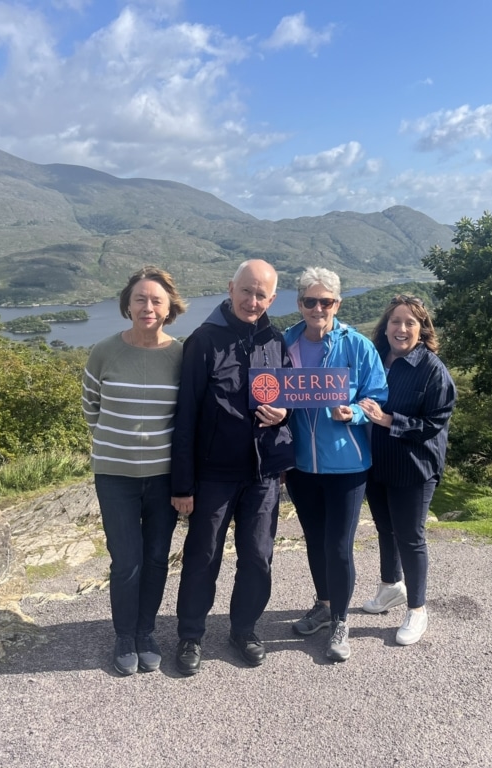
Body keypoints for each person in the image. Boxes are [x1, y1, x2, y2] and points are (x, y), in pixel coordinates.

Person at [170, 259, 294, 675]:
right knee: (203, 556)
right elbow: (184, 416)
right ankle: (190, 634)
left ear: (272, 298)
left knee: (258, 557)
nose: (252, 300)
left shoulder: (276, 341)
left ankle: (244, 629)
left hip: (262, 475)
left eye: (262, 294)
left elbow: (290, 399)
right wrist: (183, 483)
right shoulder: (203, 341)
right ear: (230, 288)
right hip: (213, 474)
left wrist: (284, 414)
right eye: (247, 291)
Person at [82, 266, 187, 676]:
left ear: (169, 308)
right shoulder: (105, 351)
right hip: (115, 475)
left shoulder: (180, 355)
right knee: (126, 559)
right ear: (127, 304)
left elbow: (186, 415)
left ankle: (146, 631)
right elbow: (92, 406)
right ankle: (124, 634)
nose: (147, 306)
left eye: (156, 300)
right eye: (140, 299)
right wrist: (115, 444)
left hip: (163, 477)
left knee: (157, 557)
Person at [283, 267, 388, 662]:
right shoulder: (285, 343)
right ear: (299, 304)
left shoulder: (358, 346)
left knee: (339, 546)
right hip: (301, 465)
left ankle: (342, 619)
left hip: (347, 464)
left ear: (337, 305)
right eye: (310, 301)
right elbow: (271, 391)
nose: (317, 308)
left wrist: (357, 414)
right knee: (314, 539)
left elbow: (377, 395)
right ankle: (324, 605)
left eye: (325, 301)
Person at [359, 294, 456, 645]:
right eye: (395, 322)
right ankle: (390, 587)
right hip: (376, 462)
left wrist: (387, 420)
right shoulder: (376, 359)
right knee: (385, 528)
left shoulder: (432, 369)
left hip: (413, 467)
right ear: (385, 327)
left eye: (410, 323)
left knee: (410, 537)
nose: (401, 329)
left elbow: (434, 423)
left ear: (422, 329)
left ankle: (417, 609)